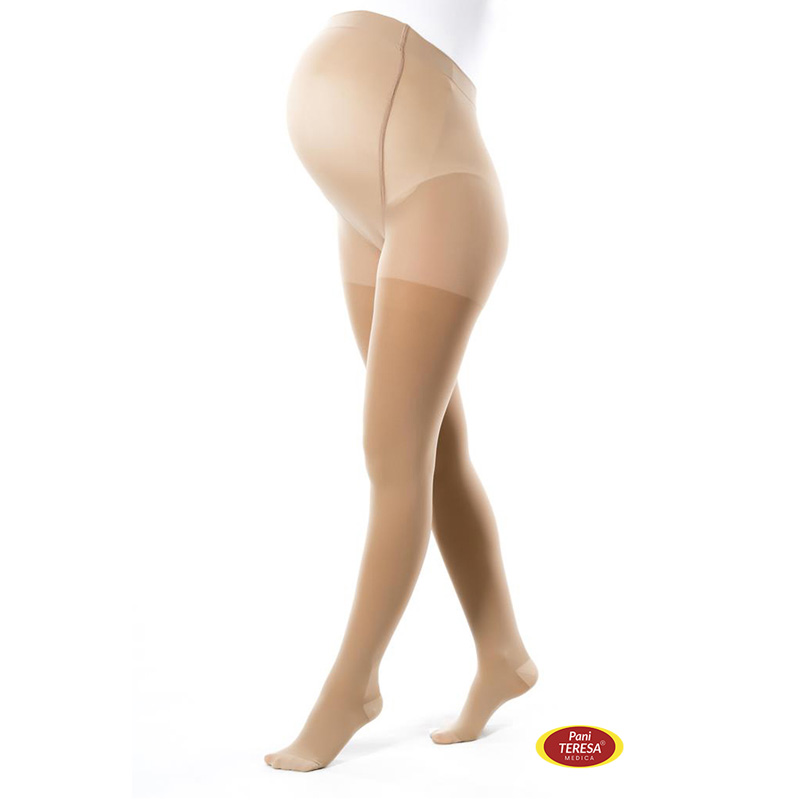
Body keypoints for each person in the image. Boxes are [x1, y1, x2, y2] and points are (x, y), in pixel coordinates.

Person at [265, 6, 537, 772]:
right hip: (366, 204)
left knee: (393, 454)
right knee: (434, 450)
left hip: (435, 191)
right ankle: (503, 651)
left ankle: (352, 688)